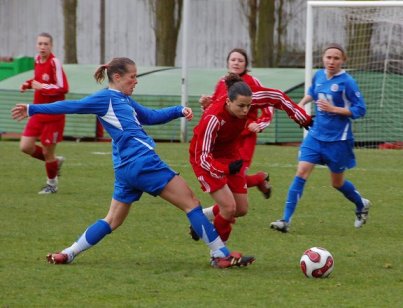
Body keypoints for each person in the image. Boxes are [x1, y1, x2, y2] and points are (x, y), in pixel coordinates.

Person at [12, 57, 255, 269]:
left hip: (125, 169)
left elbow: (149, 116)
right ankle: (219, 254)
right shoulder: (106, 98)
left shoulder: (124, 100)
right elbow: (71, 106)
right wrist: (32, 108)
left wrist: (178, 110)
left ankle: (68, 253)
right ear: (117, 77)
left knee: (112, 220)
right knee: (191, 204)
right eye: (132, 77)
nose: (136, 81)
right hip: (143, 162)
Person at [192, 49, 312, 233]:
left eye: (249, 105)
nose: (246, 110)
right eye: (241, 106)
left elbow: (277, 98)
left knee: (240, 209)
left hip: (234, 147)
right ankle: (218, 254)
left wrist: (300, 116)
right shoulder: (213, 117)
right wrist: (223, 170)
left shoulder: (249, 92)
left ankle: (202, 218)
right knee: (229, 208)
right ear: (229, 101)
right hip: (206, 158)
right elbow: (202, 155)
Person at [270, 43, 370, 233]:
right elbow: (312, 93)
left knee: (337, 183)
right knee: (301, 172)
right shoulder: (319, 75)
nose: (331, 61)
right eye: (328, 57)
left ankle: (361, 205)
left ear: (343, 60)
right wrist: (300, 104)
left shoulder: (347, 82)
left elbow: (360, 109)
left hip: (338, 140)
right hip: (315, 136)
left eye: (336, 58)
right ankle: (285, 220)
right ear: (323, 59)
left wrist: (334, 110)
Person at [19, 32, 69, 194]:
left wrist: (44, 88)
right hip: (38, 112)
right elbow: (38, 78)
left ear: (51, 46)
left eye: (46, 44)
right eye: (40, 43)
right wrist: (27, 84)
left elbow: (63, 88)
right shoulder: (36, 60)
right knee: (25, 146)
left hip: (54, 114)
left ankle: (51, 184)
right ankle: (54, 162)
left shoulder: (55, 62)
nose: (42, 47)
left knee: (48, 151)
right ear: (36, 45)